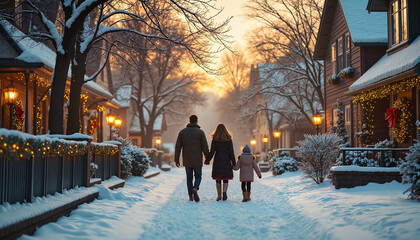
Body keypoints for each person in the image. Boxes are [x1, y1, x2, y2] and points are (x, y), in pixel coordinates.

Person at [175, 115, 209, 202]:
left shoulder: (182, 132)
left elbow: (178, 147)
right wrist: (207, 158)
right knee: (198, 176)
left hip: (187, 159)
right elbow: (205, 146)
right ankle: (195, 187)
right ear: (197, 122)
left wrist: (177, 159)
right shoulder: (201, 132)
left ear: (189, 121)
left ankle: (190, 196)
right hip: (197, 159)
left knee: (189, 178)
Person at [205, 124, 236, 201]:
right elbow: (231, 152)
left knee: (218, 178)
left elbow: (212, 151)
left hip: (218, 159)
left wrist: (207, 160)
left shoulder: (215, 139)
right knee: (225, 178)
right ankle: (224, 191)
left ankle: (219, 195)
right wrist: (234, 163)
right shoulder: (229, 139)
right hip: (226, 159)